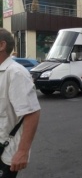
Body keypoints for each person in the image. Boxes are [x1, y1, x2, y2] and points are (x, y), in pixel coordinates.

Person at [0, 28, 41, 178]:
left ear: (1, 45)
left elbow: (32, 113)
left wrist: (22, 151)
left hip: (6, 151)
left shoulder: (16, 73)